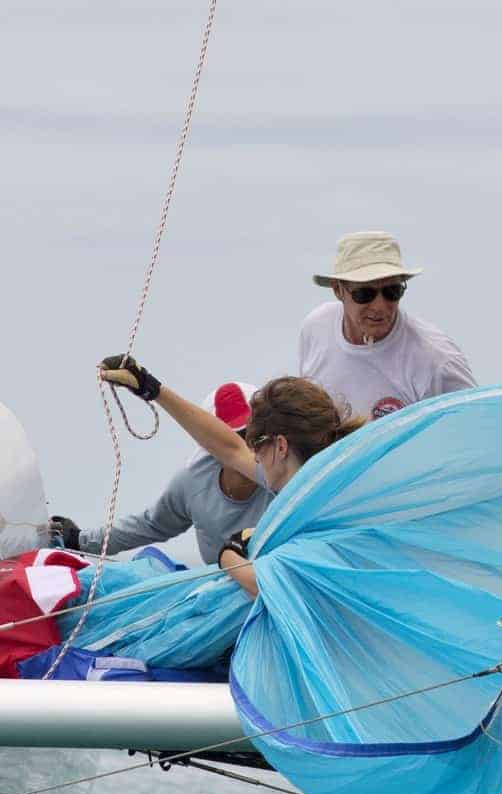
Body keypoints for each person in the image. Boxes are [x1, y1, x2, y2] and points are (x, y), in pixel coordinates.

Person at [97, 357, 364, 597]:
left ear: (281, 446)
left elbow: (277, 591)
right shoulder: (316, 480)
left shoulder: (310, 502)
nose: (251, 454)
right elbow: (229, 448)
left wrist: (229, 555)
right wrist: (150, 388)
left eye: (254, 439)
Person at [51, 382, 273, 565]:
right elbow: (150, 525)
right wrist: (80, 540)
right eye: (234, 437)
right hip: (225, 591)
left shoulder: (285, 476)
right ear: (208, 441)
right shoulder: (192, 483)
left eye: (252, 434)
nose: (246, 446)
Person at [299, 230, 476, 421]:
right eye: (365, 294)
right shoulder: (316, 328)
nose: (380, 306)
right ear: (338, 290)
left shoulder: (437, 361)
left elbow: (475, 425)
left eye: (392, 291)